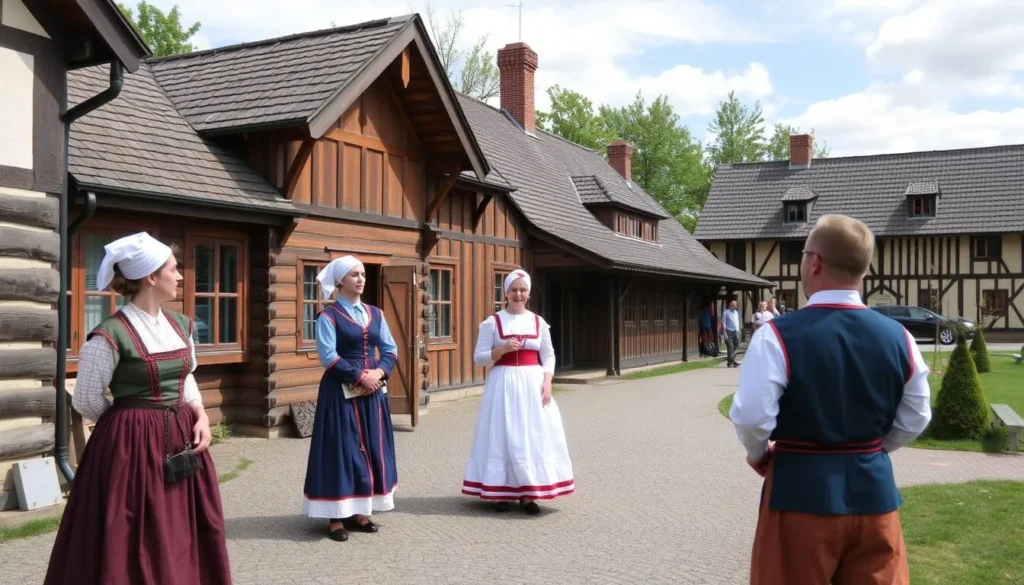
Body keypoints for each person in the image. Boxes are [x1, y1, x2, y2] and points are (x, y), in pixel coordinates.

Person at [729, 215, 931, 585]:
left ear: (815, 262)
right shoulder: (900, 336)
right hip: (875, 497)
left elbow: (752, 418)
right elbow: (916, 415)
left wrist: (759, 455)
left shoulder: (776, 335)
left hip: (798, 495)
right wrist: (871, 448)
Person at [45, 232, 231, 585]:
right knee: (135, 530)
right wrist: (130, 427)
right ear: (150, 277)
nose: (180, 276)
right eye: (173, 270)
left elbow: (187, 376)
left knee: (183, 524)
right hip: (130, 449)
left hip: (183, 439)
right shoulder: (108, 335)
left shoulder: (180, 324)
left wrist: (201, 413)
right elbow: (86, 399)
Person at [302, 255, 399, 542]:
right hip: (340, 392)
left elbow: (391, 349)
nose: (360, 279)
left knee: (369, 446)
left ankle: (360, 510)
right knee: (341, 448)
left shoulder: (375, 314)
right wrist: (361, 377)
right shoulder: (328, 316)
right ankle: (335, 517)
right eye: (354, 274)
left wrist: (379, 372)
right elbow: (328, 356)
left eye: (363, 274)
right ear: (341, 280)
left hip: (372, 392)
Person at [462, 269, 574, 514]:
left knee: (531, 434)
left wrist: (547, 380)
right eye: (513, 289)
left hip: (532, 382)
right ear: (506, 293)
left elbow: (548, 355)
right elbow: (479, 357)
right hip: (502, 382)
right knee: (502, 434)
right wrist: (500, 350)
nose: (518, 294)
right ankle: (500, 490)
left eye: (523, 290)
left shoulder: (538, 322)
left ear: (529, 293)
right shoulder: (493, 322)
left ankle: (529, 494)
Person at [723, 299, 741, 367]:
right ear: (731, 305)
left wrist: (738, 331)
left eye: (736, 305)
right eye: (734, 305)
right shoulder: (726, 313)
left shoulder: (736, 312)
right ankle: (731, 363)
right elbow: (724, 323)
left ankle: (731, 360)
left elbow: (737, 322)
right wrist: (725, 333)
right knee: (730, 347)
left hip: (735, 331)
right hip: (728, 331)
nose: (735, 306)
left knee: (736, 344)